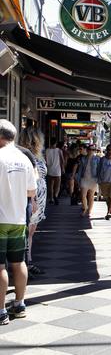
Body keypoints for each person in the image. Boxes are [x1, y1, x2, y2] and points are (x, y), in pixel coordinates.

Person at [0, 119, 37, 325]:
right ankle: (19, 303)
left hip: (0, 219)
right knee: (18, 262)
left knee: (0, 267)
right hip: (18, 219)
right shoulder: (24, 159)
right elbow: (31, 192)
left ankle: (0, 311)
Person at [18, 128, 48, 276]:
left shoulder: (36, 156)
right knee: (26, 232)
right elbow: (31, 181)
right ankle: (24, 265)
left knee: (30, 233)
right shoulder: (27, 156)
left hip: (37, 198)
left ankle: (28, 261)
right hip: (32, 198)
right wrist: (33, 199)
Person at [76, 145, 100, 217]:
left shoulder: (97, 159)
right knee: (83, 195)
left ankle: (89, 211)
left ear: (94, 150)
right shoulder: (83, 159)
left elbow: (99, 170)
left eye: (93, 149)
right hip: (84, 179)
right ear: (87, 150)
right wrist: (78, 179)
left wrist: (99, 179)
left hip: (93, 179)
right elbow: (80, 170)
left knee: (91, 196)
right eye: (90, 149)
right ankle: (85, 208)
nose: (91, 151)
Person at [45, 138, 64, 205]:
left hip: (50, 170)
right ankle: (55, 195)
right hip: (57, 170)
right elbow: (62, 160)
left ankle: (51, 198)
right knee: (57, 185)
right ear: (56, 143)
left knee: (51, 185)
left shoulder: (46, 150)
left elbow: (45, 160)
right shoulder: (59, 151)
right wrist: (63, 168)